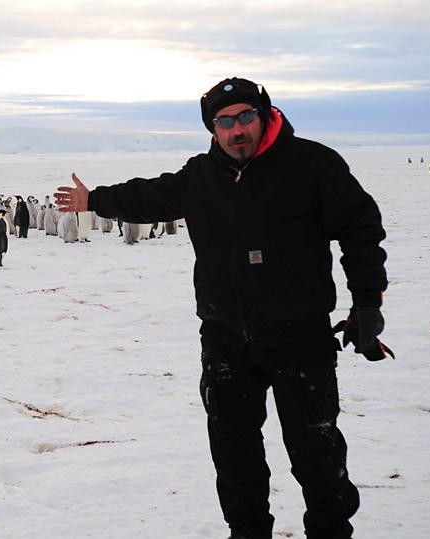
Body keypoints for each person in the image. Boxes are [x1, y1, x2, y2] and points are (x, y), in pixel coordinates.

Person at [54, 77, 392, 539]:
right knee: (235, 459)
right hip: (225, 338)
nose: (237, 130)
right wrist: (94, 200)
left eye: (245, 117)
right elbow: (150, 196)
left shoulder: (312, 164)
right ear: (212, 128)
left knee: (318, 455)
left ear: (264, 115)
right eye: (224, 121)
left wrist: (367, 302)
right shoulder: (201, 175)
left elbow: (361, 229)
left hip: (300, 336)